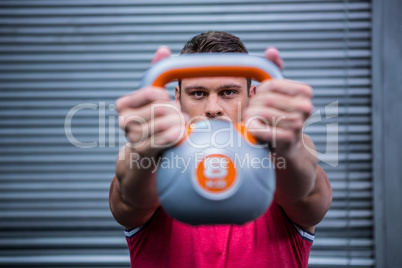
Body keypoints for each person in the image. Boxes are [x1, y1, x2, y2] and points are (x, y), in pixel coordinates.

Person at [109, 31, 332, 267]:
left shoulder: (283, 159)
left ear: (252, 96)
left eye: (228, 92)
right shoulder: (151, 166)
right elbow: (128, 202)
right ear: (177, 98)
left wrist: (290, 148)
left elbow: (308, 197)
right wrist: (142, 151)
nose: (213, 108)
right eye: (198, 93)